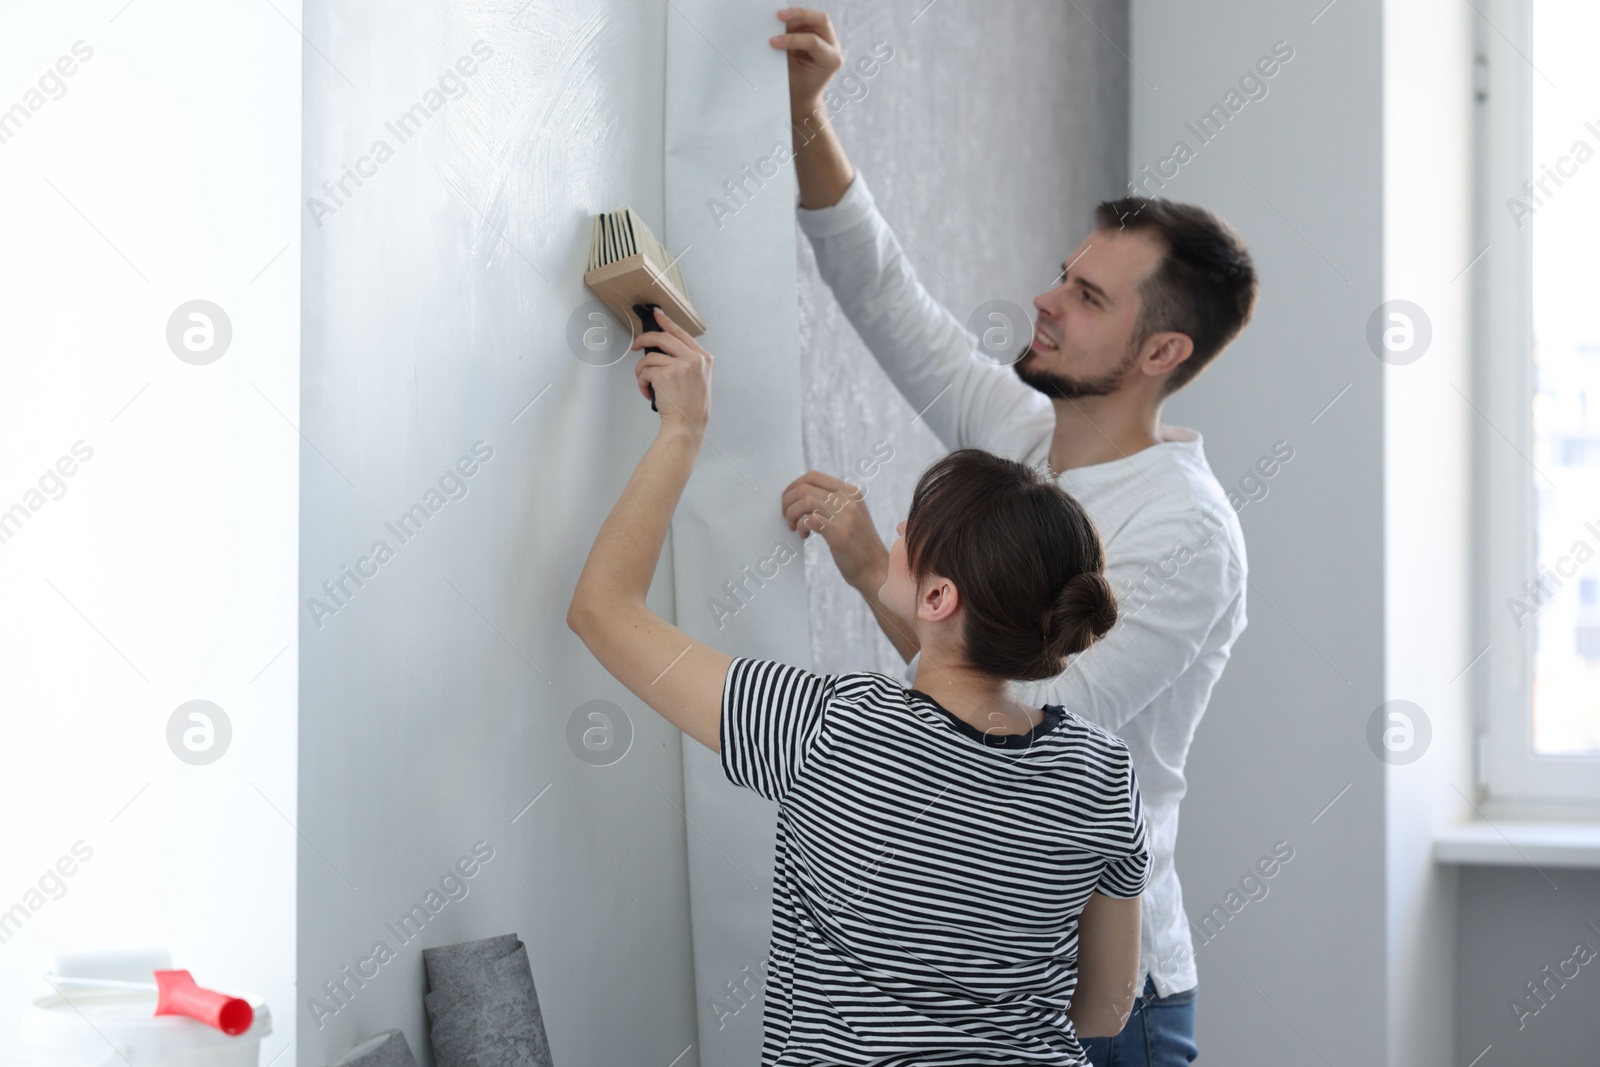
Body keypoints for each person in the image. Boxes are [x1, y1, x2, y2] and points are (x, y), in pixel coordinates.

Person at [769, 10, 1257, 1064]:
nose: (1044, 301)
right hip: (984, 942)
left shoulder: (1185, 537)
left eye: (1085, 296)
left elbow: (1029, 724)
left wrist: (869, 571)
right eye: (1063, 273)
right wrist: (808, 108)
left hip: (1105, 991)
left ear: (1158, 349)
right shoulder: (1025, 428)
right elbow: (879, 288)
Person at [567, 308, 1152, 1066]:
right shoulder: (1103, 774)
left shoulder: (827, 727)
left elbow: (602, 609)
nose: (898, 530)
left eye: (914, 528)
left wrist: (682, 428)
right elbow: (1106, 1009)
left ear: (939, 600)